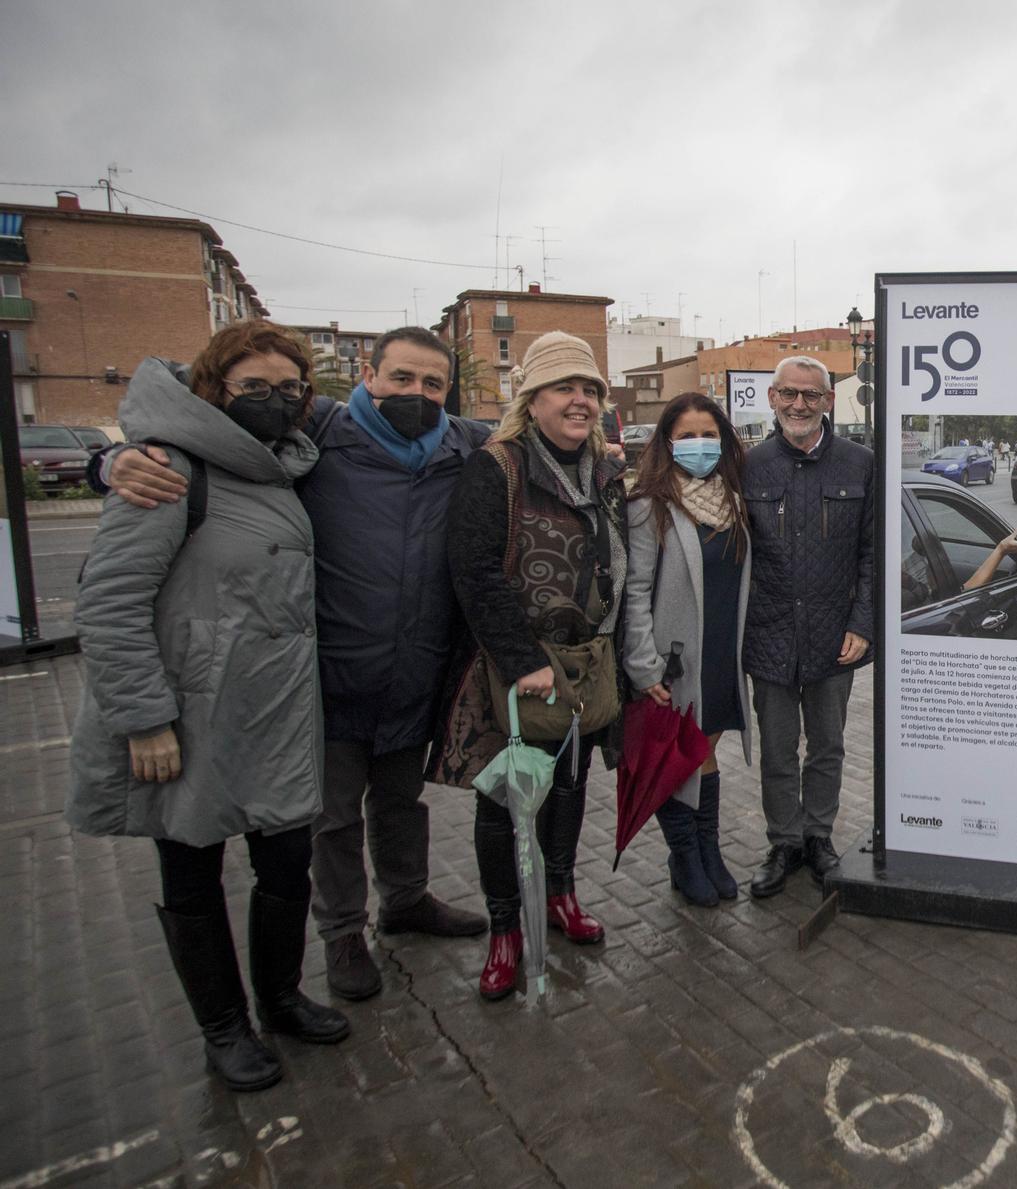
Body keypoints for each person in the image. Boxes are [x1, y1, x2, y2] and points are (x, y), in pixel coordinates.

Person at [99, 327, 493, 1002]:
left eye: (433, 383)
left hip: (414, 668)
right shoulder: (316, 433)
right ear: (367, 373)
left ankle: (407, 898)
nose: (417, 394)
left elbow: (538, 436)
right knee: (332, 816)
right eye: (401, 377)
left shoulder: (464, 445)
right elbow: (198, 408)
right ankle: (342, 931)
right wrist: (109, 462)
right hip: (329, 672)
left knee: (401, 800)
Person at [68, 321, 348, 1092]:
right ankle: (223, 1027)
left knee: (288, 862)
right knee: (191, 867)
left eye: (289, 388)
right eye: (252, 387)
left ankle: (283, 996)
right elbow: (110, 600)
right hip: (190, 716)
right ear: (212, 389)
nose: (274, 400)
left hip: (279, 712)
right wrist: (143, 715)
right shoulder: (167, 470)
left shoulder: (283, 467)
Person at [443, 332, 628, 1001]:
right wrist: (521, 660)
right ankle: (504, 930)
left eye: (590, 389)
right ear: (532, 398)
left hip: (586, 664)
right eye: (563, 388)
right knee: (507, 800)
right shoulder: (498, 468)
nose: (579, 401)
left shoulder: (605, 470)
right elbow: (474, 570)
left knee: (570, 791)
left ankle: (559, 895)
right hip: (512, 672)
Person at [741, 355, 875, 897]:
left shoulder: (860, 464)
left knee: (827, 745)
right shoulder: (747, 466)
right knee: (777, 749)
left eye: (812, 395)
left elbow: (873, 554)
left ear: (828, 401)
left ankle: (818, 836)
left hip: (833, 636)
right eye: (789, 394)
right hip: (767, 632)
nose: (800, 404)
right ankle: (785, 841)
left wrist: (863, 623)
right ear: (772, 398)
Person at [623, 392, 754, 908]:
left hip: (722, 649)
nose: (699, 445)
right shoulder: (647, 503)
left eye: (708, 434)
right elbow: (635, 589)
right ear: (667, 442)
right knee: (678, 757)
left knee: (704, 752)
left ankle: (706, 852)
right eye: (687, 436)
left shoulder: (733, 499)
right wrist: (641, 664)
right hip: (673, 656)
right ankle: (687, 856)